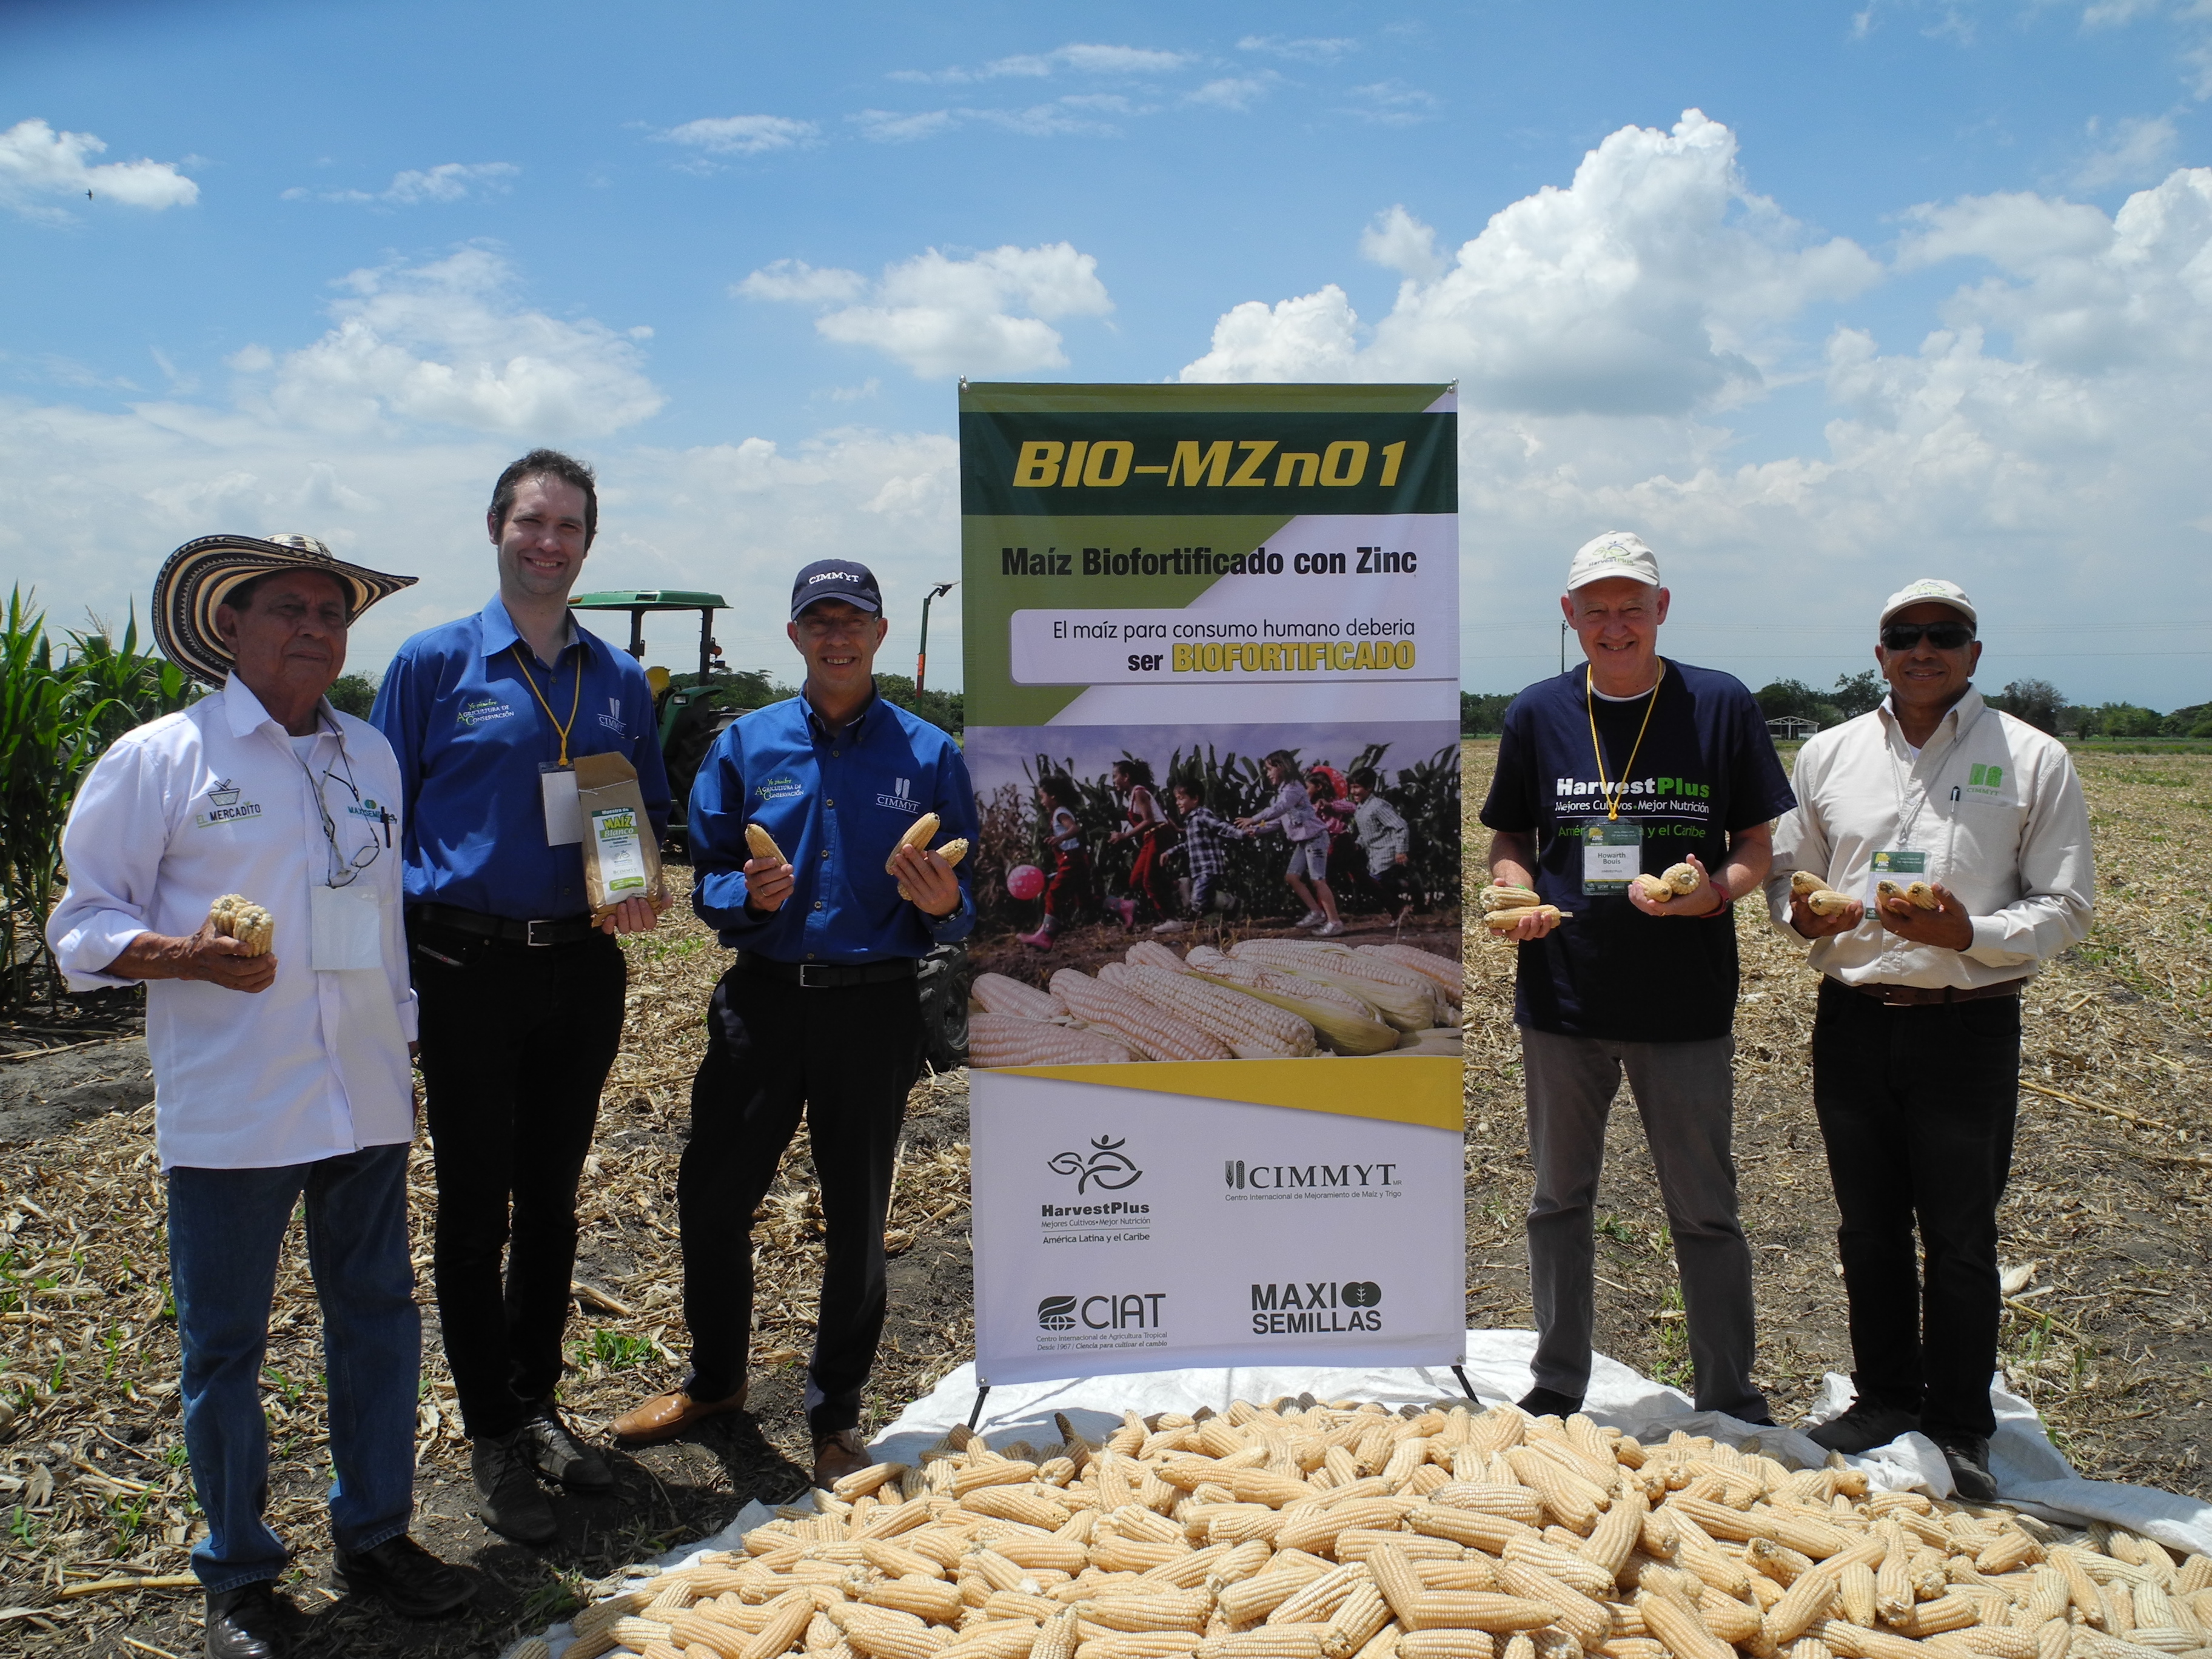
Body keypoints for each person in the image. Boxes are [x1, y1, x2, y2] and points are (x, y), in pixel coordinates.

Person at [49, 534, 472, 1658]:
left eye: (332, 613)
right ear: (229, 627)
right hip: (237, 1105)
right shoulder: (162, 760)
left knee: (377, 1315)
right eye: (287, 608)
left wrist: (408, 1051)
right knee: (225, 1348)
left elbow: (381, 931)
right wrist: (184, 954)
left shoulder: (370, 756)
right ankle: (239, 1572)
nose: (315, 628)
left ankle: (375, 1532)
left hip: (366, 1093)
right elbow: (77, 928)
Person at [609, 560, 976, 1490]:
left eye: (853, 621)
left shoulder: (931, 755)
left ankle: (836, 1415)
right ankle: (716, 1383)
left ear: (881, 636)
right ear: (797, 637)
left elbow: (966, 905)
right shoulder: (745, 745)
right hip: (763, 998)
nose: (837, 637)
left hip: (873, 1007)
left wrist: (944, 902)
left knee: (855, 1220)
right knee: (713, 1198)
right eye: (820, 621)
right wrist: (746, 891)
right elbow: (709, 881)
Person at [370, 449, 669, 1547]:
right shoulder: (431, 663)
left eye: (570, 528)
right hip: (464, 965)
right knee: (473, 1200)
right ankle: (491, 1429)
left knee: (550, 1197)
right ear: (495, 528)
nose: (550, 542)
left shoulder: (619, 679)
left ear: (589, 544)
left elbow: (629, 810)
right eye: (532, 523)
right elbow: (379, 824)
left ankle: (538, 1403)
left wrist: (636, 887)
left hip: (581, 965)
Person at [1765, 579, 2092, 1500]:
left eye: (1943, 635)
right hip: (1856, 1022)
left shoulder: (2032, 759)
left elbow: (2066, 903)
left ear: (1974, 653)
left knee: (1958, 1237)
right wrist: (1801, 910)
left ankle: (1958, 1422)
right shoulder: (1828, 752)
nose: (1923, 649)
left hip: (1966, 1024)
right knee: (1868, 1226)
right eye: (1903, 636)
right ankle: (1883, 1398)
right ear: (1879, 655)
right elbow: (1793, 873)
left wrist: (1969, 936)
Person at [1480, 531, 1794, 1424]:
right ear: (1569, 616)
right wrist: (1517, 889)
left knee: (1705, 1210)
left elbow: (1757, 846)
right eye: (1596, 610)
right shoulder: (1536, 713)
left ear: (1661, 608)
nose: (1614, 626)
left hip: (1684, 1001)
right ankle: (1557, 1382)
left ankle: (1730, 1393)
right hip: (1563, 997)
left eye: (1631, 608)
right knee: (1557, 1201)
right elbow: (1511, 836)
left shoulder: (1721, 704)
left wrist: (1714, 898)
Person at [1238, 749, 1342, 936]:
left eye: (1270, 769)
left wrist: (1252, 819)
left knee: (1318, 880)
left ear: (1281, 767)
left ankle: (1335, 922)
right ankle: (1317, 913)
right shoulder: (1285, 792)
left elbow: (1279, 809)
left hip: (1316, 838)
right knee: (1292, 877)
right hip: (1304, 841)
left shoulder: (1293, 788)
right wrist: (1258, 829)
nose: (1268, 774)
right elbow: (1279, 821)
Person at [1155, 777, 1245, 934]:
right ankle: (1224, 916)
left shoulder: (1202, 815)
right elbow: (1189, 845)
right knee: (1204, 900)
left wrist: (1241, 833)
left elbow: (1221, 827)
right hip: (1199, 869)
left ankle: (1227, 907)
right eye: (1177, 799)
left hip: (1209, 867)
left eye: (1181, 799)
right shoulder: (1191, 822)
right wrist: (1170, 852)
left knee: (1197, 901)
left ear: (1195, 799)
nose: (1177, 803)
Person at [1102, 758, 1178, 931]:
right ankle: (1178, 885)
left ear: (1126, 777)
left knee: (1149, 879)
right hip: (1149, 837)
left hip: (1158, 834)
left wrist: (1125, 835)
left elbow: (1150, 820)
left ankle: (1172, 919)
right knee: (1136, 880)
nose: (1113, 781)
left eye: (1115, 776)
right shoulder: (1133, 796)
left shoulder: (1139, 792)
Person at [1017, 773, 1090, 951]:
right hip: (1075, 860)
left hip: (1072, 859)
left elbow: (1075, 828)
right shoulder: (1059, 812)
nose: (1041, 802)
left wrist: (1060, 839)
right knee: (1086, 899)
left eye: (1042, 797)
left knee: (1053, 894)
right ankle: (1124, 906)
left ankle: (1045, 936)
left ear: (1053, 796)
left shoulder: (1061, 812)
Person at [1346, 768, 1415, 922]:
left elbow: (1400, 826)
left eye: (1357, 787)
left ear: (1370, 787)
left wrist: (1401, 851)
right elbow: (1367, 833)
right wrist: (1357, 845)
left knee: (1373, 882)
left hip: (1387, 849)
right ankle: (1399, 908)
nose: (1353, 791)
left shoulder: (1378, 806)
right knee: (1371, 882)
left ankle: (1405, 890)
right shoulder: (1360, 809)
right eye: (1351, 787)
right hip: (1374, 852)